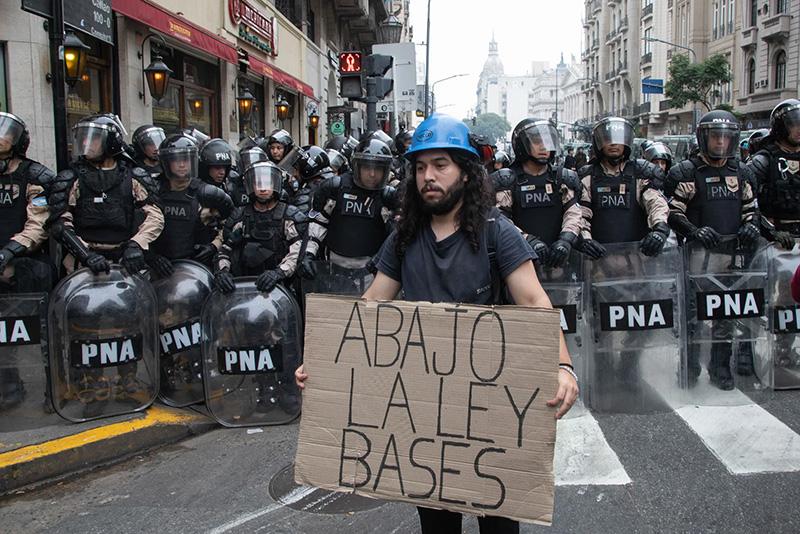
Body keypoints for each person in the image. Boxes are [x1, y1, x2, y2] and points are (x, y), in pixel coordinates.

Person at [295, 113, 578, 534]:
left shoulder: (497, 232)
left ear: (465, 173)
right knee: (437, 524)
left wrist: (563, 366)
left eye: (441, 165)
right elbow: (372, 304)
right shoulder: (404, 236)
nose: (429, 176)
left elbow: (535, 300)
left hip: (491, 404)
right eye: (421, 167)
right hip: (428, 419)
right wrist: (327, 360)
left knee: (498, 523)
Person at [666, 110, 760, 390]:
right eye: (715, 136)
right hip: (695, 258)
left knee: (724, 317)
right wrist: (694, 231)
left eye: (725, 137)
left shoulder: (741, 171)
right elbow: (672, 212)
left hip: (731, 257)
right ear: (704, 138)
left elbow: (751, 209)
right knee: (692, 317)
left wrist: (751, 226)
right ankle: (689, 368)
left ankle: (720, 368)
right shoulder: (685, 172)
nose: (720, 143)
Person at [48, 114, 164, 275]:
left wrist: (136, 245)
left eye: (93, 139)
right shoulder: (71, 178)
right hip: (82, 264)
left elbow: (155, 217)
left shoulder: (134, 177)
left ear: (111, 142)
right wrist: (85, 255)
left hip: (125, 261)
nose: (85, 143)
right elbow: (60, 224)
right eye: (83, 138)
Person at [0, 112, 56, 409]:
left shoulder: (36, 176)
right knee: (3, 335)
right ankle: (10, 385)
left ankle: (52, 388)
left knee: (43, 332)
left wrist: (9, 252)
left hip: (27, 266)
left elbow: (39, 225)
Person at [299, 136, 399, 280]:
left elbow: (395, 237)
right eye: (367, 168)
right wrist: (308, 254)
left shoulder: (387, 198)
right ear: (357, 166)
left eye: (377, 169)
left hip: (372, 271)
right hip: (333, 268)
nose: (372, 174)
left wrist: (380, 261)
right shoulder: (336, 188)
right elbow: (318, 224)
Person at [576, 117, 670, 261]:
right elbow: (581, 213)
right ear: (599, 142)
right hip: (598, 260)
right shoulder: (587, 176)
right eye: (608, 139)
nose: (613, 143)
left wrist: (659, 230)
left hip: (637, 258)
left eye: (618, 139)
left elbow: (656, 203)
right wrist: (585, 240)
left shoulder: (641, 172)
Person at [493, 119, 582, 268]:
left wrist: (566, 240)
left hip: (558, 264)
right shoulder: (507, 180)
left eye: (548, 141)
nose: (543, 147)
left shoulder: (563, 178)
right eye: (536, 141)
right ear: (521, 145)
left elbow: (573, 212)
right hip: (519, 262)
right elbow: (501, 220)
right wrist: (528, 241)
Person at [213, 161, 306, 294]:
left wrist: (278, 273)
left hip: (280, 289)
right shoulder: (240, 216)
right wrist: (222, 273)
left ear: (275, 184)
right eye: (258, 184)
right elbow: (225, 250)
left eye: (267, 183)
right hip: (244, 286)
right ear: (251, 185)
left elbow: (297, 252)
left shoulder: (288, 216)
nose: (263, 189)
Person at [147, 134, 234, 276]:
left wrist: (213, 246)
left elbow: (232, 224)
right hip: (161, 269)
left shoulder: (208, 193)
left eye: (186, 160)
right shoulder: (153, 190)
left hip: (198, 268)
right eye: (177, 160)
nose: (182, 165)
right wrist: (151, 257)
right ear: (167, 162)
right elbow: (137, 227)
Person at [749, 99, 800, 245]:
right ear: (781, 127)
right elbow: (747, 203)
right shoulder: (763, 160)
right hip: (772, 242)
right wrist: (770, 230)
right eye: (793, 124)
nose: (799, 129)